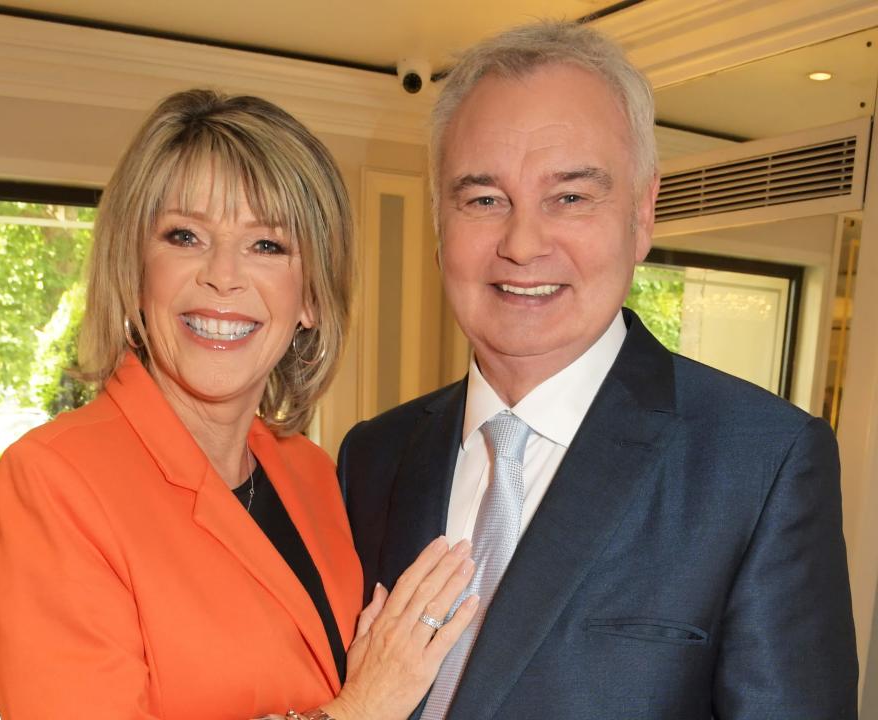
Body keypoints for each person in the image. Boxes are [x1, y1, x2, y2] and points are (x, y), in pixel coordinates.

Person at [338, 20, 858, 720]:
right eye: (484, 200)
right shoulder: (373, 457)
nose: (522, 244)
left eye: (571, 198)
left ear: (643, 213)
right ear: (439, 220)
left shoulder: (760, 465)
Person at [0, 89, 479, 720]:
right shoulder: (54, 482)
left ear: (312, 299)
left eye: (267, 245)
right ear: (135, 273)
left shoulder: (314, 471)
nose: (222, 275)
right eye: (185, 236)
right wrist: (362, 710)